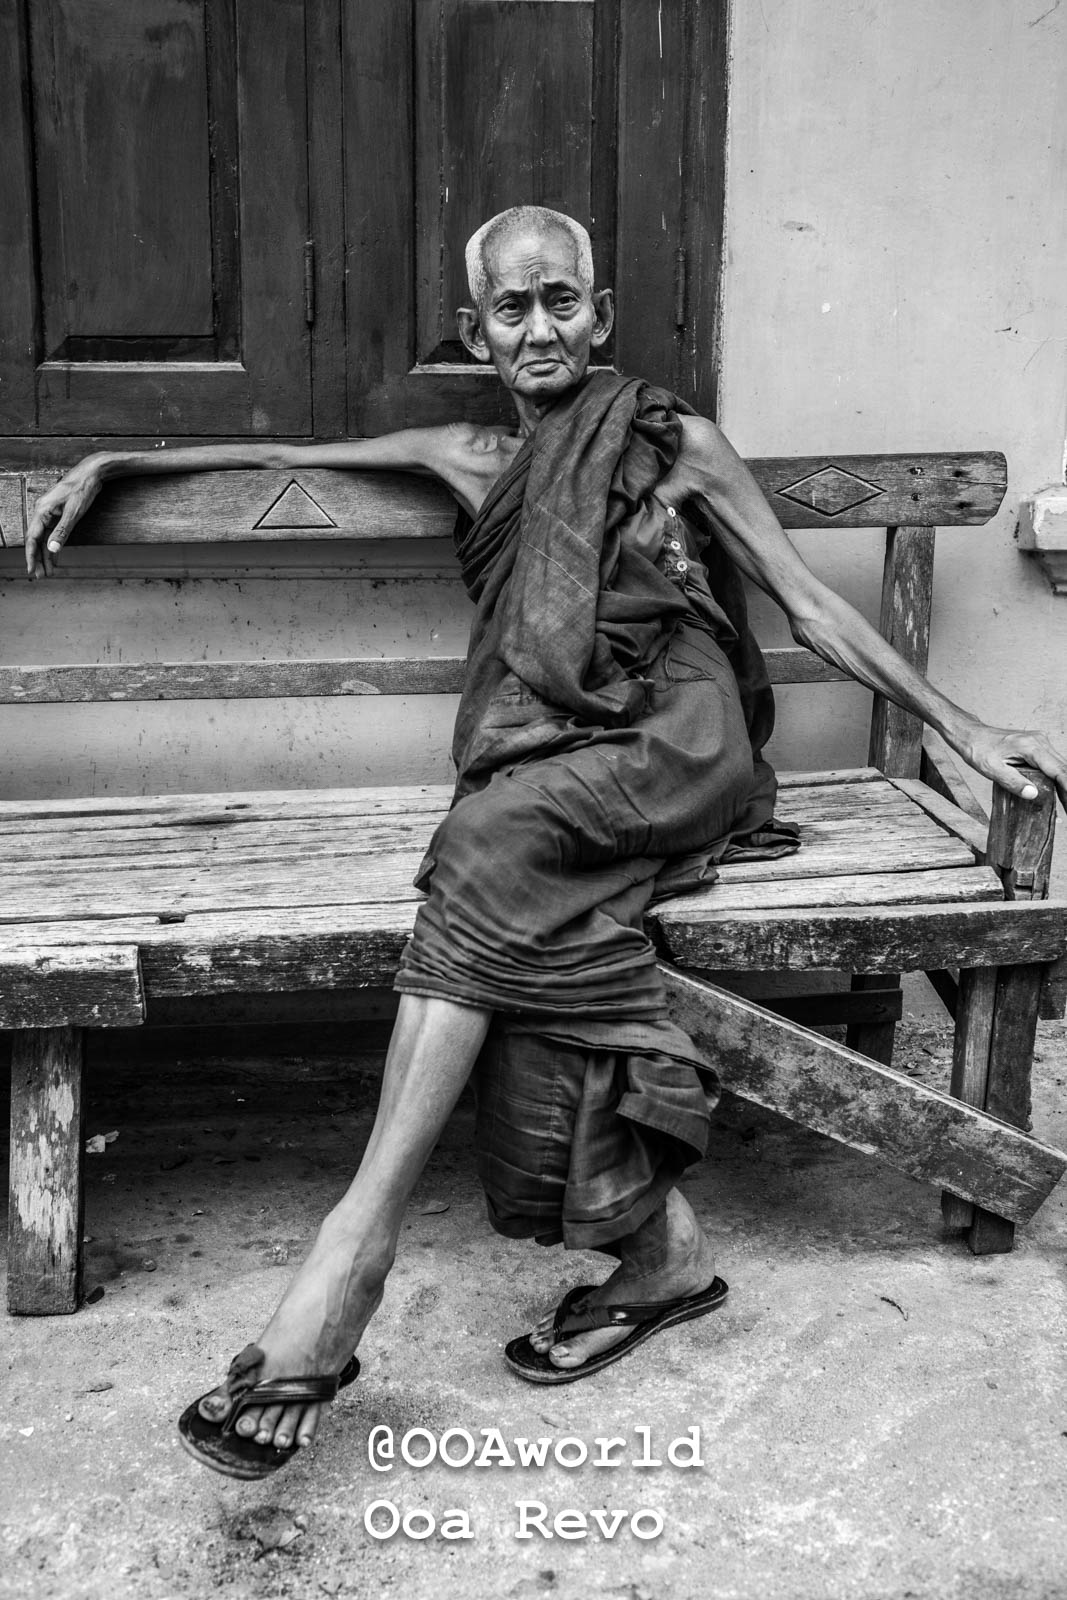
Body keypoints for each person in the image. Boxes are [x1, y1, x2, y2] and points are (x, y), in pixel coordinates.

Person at [26, 207, 1067, 1480]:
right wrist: (119, 460)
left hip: (679, 740)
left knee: (484, 844)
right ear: (474, 331)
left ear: (601, 312)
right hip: (548, 755)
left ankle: (351, 1249)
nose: (539, 329)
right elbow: (307, 446)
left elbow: (805, 604)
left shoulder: (670, 440)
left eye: (559, 301)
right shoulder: (468, 454)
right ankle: (658, 1255)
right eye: (510, 310)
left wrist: (962, 731)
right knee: (513, 886)